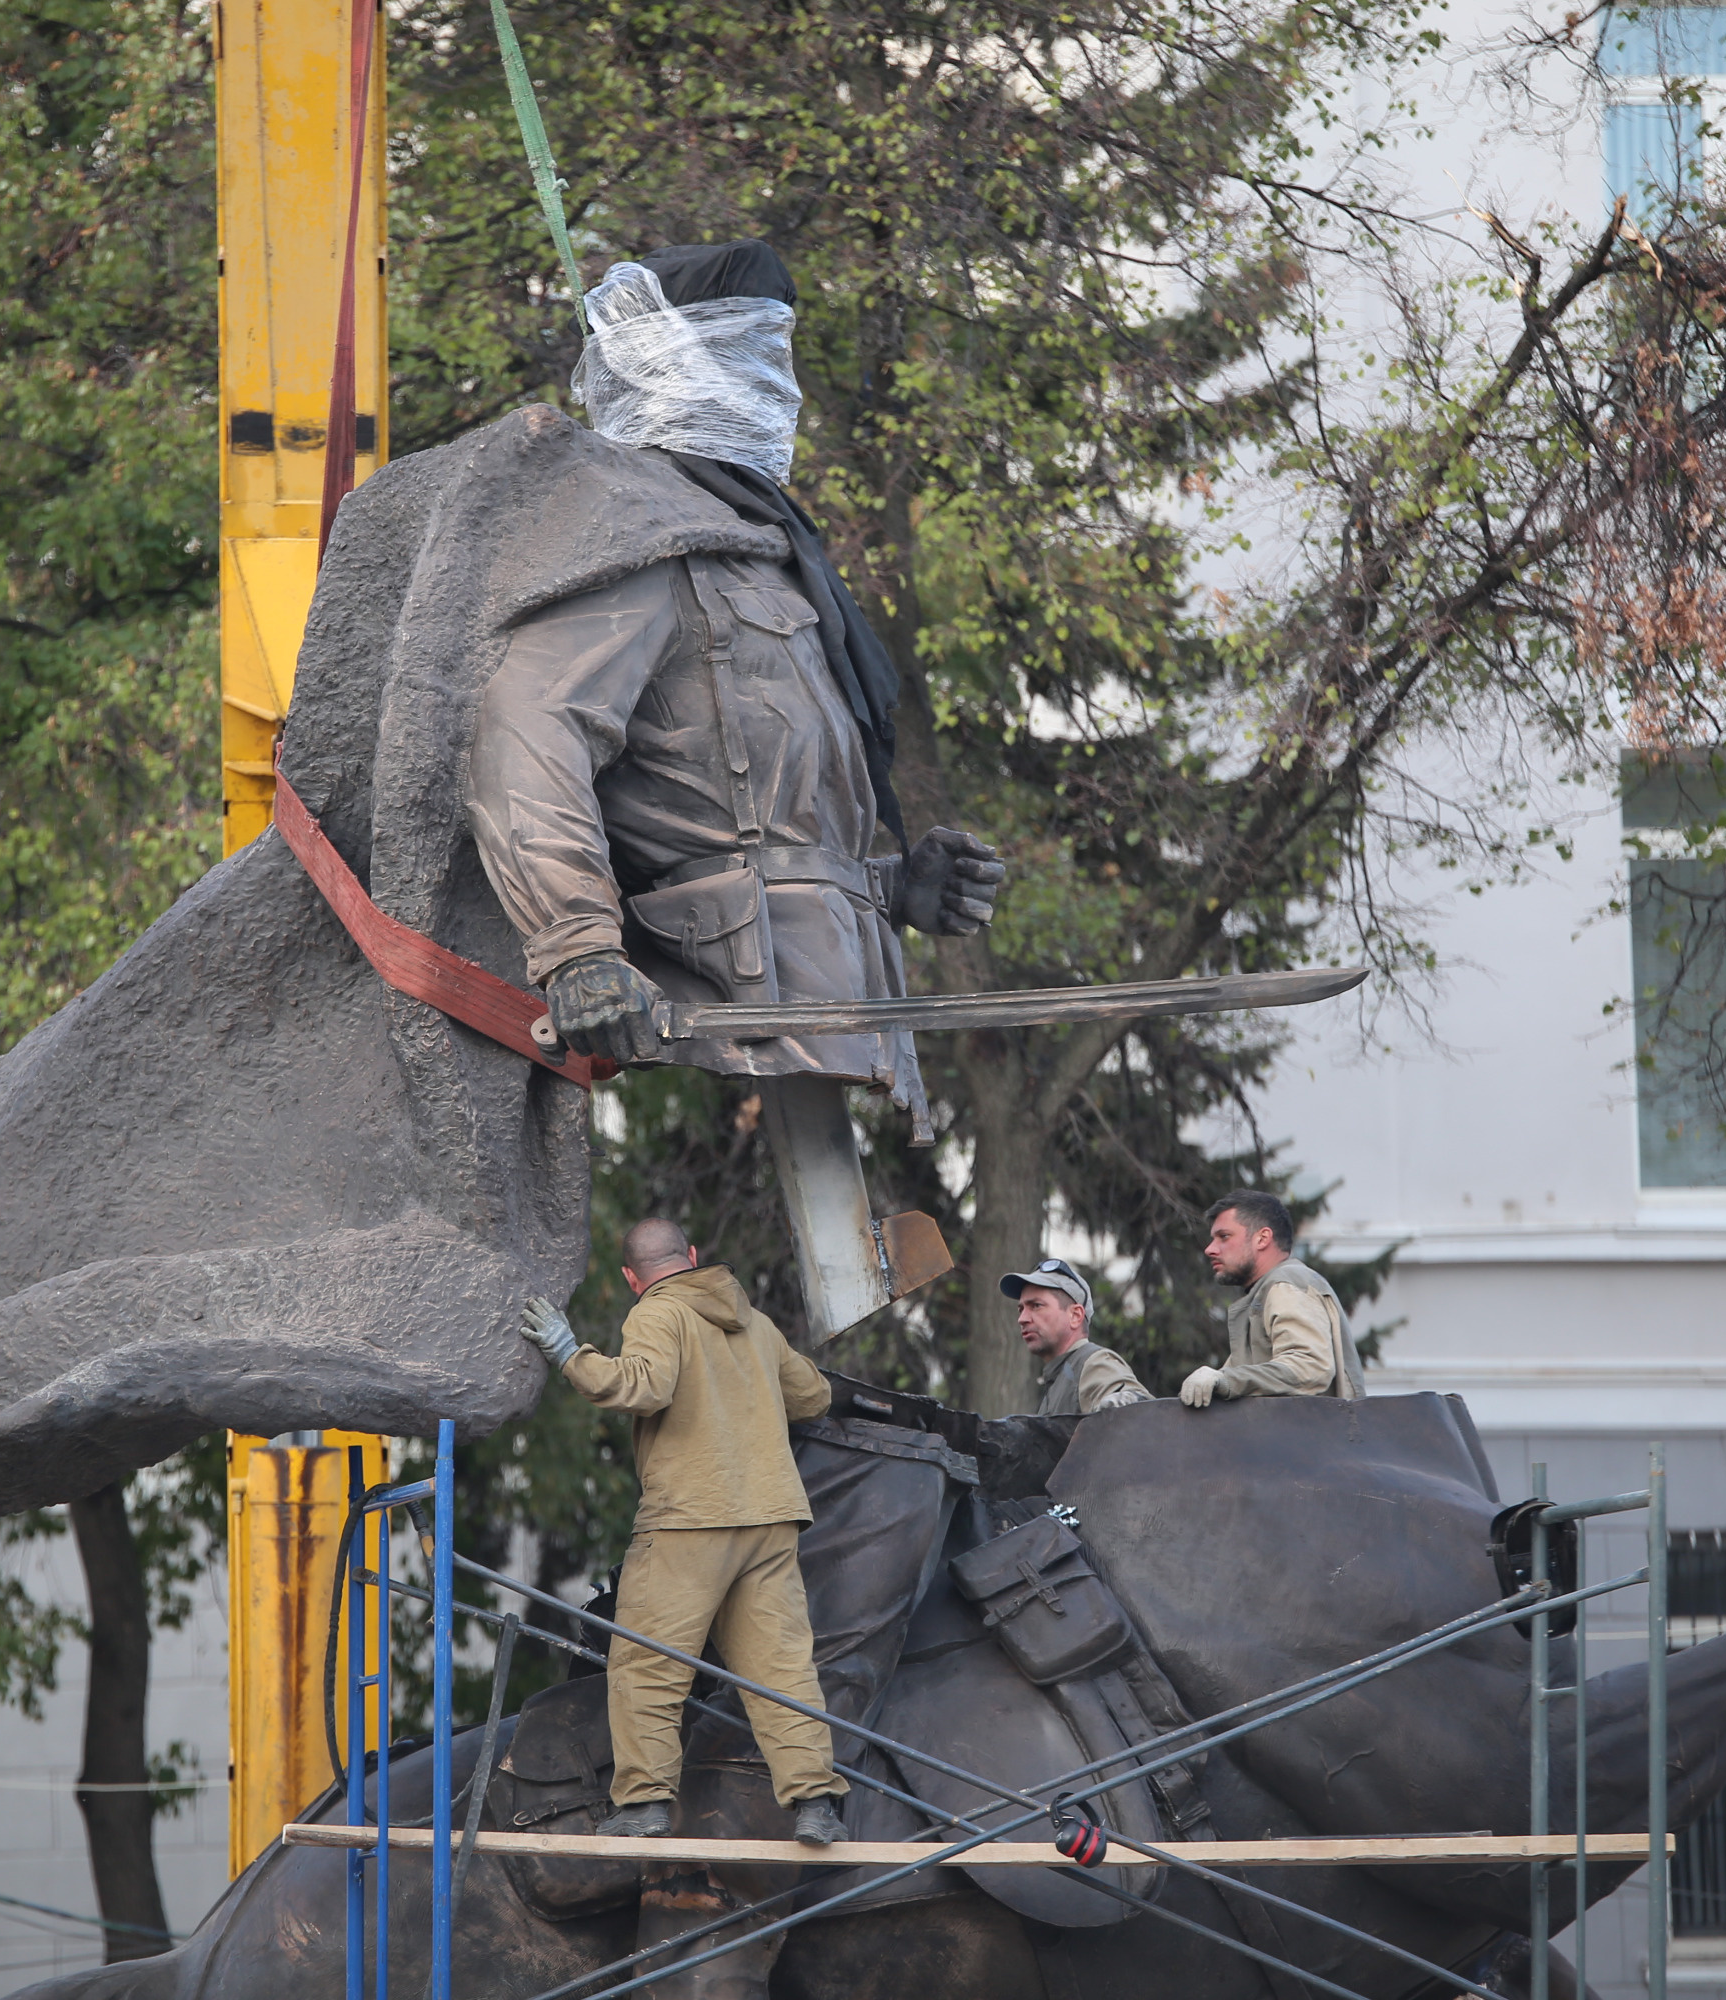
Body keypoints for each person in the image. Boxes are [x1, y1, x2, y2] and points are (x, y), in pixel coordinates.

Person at [465, 241, 1007, 1134]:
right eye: (753, 354)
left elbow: (748, 797)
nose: (779, 386)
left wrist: (890, 884)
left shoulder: (777, 563)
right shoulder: (630, 542)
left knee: (849, 1245)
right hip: (731, 983)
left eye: (781, 356)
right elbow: (527, 737)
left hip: (835, 983)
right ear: (681, 369)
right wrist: (579, 946)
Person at [517, 1218, 849, 1845]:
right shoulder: (753, 1321)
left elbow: (643, 1385)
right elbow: (813, 1396)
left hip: (690, 1518)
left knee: (647, 1664)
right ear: (694, 1256)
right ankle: (815, 1803)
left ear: (630, 1278)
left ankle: (643, 1807)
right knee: (781, 1669)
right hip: (771, 1518)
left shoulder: (656, 1314)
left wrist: (569, 1354)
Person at [1181, 1189, 1365, 1407]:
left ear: (1262, 1238)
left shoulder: (1284, 1285)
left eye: (1224, 1237)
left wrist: (1226, 1380)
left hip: (1311, 1437)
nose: (1210, 1249)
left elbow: (1310, 1367)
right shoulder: (1265, 1292)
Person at [1001, 1256, 1151, 1416]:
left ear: (1075, 1315)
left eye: (1036, 1306)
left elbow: (1141, 1411)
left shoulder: (1093, 1364)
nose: (1022, 1318)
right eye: (1021, 1309)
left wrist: (1118, 1408)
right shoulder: (1059, 1378)